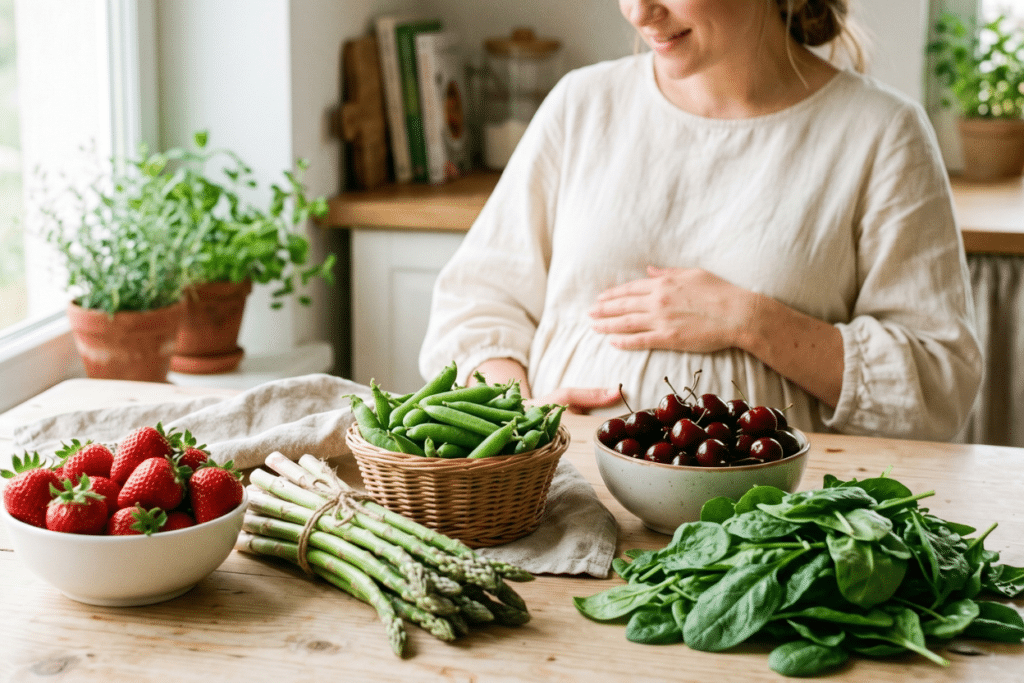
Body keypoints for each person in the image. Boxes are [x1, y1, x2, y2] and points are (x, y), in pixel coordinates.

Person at [418, 0, 983, 441]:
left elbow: (938, 382)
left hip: (772, 531)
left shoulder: (881, 133)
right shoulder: (583, 104)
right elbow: (477, 305)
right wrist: (518, 414)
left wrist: (750, 320)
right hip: (565, 494)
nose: (639, 14)